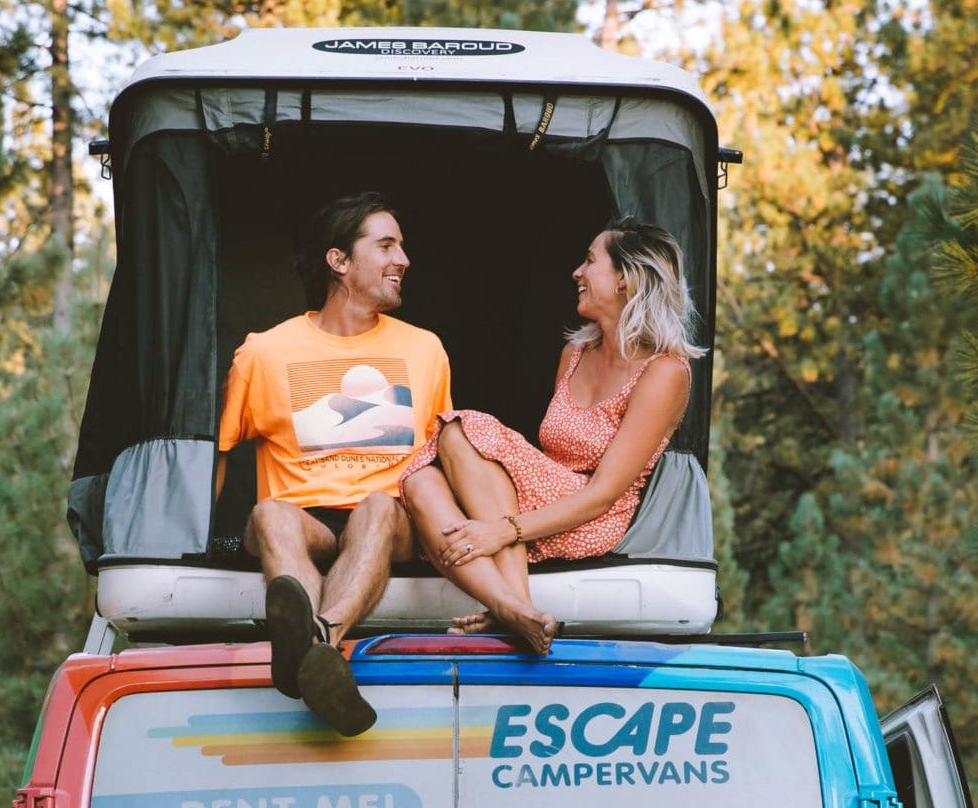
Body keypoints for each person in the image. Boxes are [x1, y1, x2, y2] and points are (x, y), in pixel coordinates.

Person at [399, 220, 699, 653]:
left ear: (624, 279)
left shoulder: (664, 371)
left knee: (462, 426)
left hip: (593, 515)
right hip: (544, 502)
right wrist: (501, 521)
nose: (577, 272)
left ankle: (514, 606)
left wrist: (502, 531)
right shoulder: (574, 354)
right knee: (418, 480)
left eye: (590, 261)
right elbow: (543, 460)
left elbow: (603, 494)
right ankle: (515, 610)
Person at [218, 192, 451, 735]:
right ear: (339, 261)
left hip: (387, 522)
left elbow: (443, 458)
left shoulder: (426, 350)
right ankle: (321, 662)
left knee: (376, 505)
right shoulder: (264, 352)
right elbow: (223, 451)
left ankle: (314, 644)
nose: (404, 259)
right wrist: (182, 541)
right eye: (387, 245)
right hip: (307, 524)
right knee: (271, 513)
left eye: (403, 246)